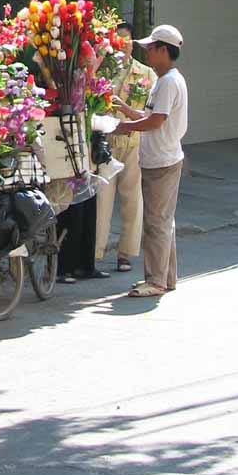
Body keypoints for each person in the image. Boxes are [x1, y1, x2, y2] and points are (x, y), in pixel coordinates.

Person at [112, 23, 187, 298]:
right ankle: (166, 277)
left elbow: (156, 121)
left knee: (156, 223)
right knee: (163, 221)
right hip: (161, 158)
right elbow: (148, 114)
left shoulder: (168, 82)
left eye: (151, 49)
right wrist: (125, 110)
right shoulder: (164, 80)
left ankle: (155, 281)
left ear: (164, 51)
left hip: (162, 161)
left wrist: (124, 127)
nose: (147, 54)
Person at [94, 21, 156, 274]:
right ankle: (95, 253)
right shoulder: (102, 72)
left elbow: (151, 111)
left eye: (127, 41)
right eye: (118, 41)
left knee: (133, 199)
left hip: (133, 142)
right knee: (102, 200)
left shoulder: (145, 73)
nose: (123, 46)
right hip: (106, 141)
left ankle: (126, 253)